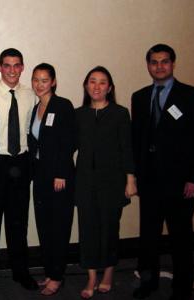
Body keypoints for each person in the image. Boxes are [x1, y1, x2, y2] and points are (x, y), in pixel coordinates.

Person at [131, 44, 194, 300]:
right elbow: (137, 140)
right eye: (154, 62)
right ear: (148, 65)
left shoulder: (191, 95)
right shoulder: (140, 97)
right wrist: (135, 176)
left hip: (180, 182)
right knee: (149, 237)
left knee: (181, 237)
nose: (159, 66)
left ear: (173, 64)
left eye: (164, 61)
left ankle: (182, 287)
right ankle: (148, 281)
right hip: (150, 181)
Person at [75, 66, 136, 299]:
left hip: (113, 182)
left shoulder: (120, 113)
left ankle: (109, 273)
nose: (97, 86)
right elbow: (64, 145)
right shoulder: (78, 114)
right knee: (87, 230)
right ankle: (91, 277)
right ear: (86, 85)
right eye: (92, 81)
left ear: (109, 88)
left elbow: (126, 148)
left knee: (110, 229)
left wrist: (130, 180)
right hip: (84, 182)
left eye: (102, 82)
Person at [0, 48, 38, 290]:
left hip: (20, 164)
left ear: (23, 67)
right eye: (7, 65)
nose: (12, 70)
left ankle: (20, 272)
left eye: (17, 65)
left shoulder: (31, 94)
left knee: (18, 223)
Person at [28, 63, 75, 295]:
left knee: (59, 228)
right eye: (36, 79)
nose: (39, 84)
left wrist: (61, 173)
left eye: (44, 80)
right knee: (44, 226)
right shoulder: (36, 108)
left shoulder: (62, 105)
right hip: (40, 175)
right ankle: (49, 273)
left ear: (53, 82)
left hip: (59, 177)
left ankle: (57, 276)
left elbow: (69, 141)